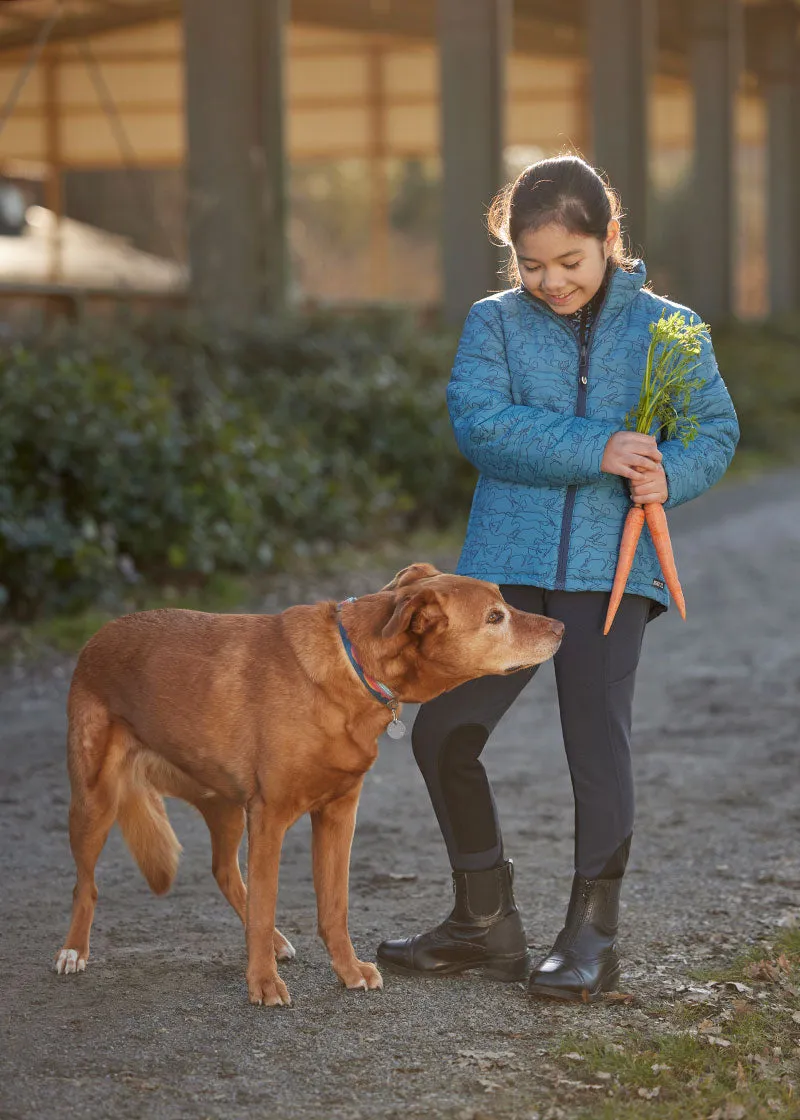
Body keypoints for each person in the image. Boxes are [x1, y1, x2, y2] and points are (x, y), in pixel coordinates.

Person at [376, 155, 740, 1002]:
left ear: (609, 240)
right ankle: (484, 922)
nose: (551, 282)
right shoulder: (494, 324)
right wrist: (598, 449)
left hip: (613, 568)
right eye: (530, 265)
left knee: (594, 740)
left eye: (569, 263)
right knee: (442, 733)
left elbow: (711, 432)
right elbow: (481, 424)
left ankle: (591, 937)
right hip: (504, 568)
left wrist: (668, 477)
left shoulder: (670, 328)